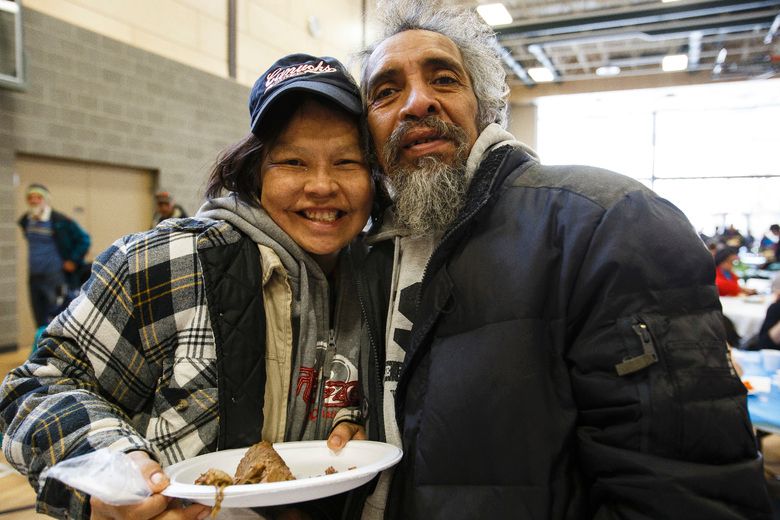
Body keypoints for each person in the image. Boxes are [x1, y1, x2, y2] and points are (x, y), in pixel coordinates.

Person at [348, 1, 773, 518]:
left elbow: (682, 491)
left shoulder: (605, 224)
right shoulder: (359, 255)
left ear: (484, 107)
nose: (417, 103)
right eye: (386, 91)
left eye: (444, 79)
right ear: (366, 132)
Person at [0, 54, 377, 520]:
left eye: (346, 161)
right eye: (293, 161)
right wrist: (111, 467)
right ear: (256, 172)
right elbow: (37, 388)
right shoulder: (168, 263)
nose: (322, 185)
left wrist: (356, 416)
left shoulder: (379, 284)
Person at [18, 183, 91, 327]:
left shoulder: (60, 220)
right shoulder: (26, 221)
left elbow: (84, 239)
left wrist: (73, 260)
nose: (34, 200)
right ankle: (41, 347)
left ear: (45, 199)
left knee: (58, 318)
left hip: (55, 277)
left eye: (38, 197)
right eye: (30, 197)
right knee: (39, 318)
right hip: (34, 277)